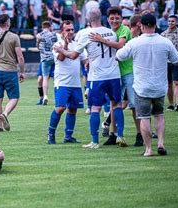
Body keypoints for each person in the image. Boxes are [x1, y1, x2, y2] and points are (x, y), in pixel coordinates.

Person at [54, 8, 126, 149]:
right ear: (102, 17)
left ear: (88, 20)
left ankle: (95, 141)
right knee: (117, 105)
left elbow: (74, 55)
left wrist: (61, 50)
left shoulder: (85, 33)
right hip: (114, 75)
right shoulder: (111, 32)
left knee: (95, 108)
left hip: (97, 77)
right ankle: (120, 136)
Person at [116, 13, 178, 157]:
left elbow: (119, 56)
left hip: (142, 87)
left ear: (141, 25)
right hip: (160, 86)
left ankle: (149, 149)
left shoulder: (135, 42)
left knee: (144, 117)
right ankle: (161, 143)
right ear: (155, 25)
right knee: (159, 115)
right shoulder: (165, 42)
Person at [90, 6, 140, 147]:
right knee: (115, 104)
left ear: (121, 18)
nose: (114, 20)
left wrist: (101, 40)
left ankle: (139, 134)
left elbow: (119, 45)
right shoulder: (108, 32)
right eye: (112, 18)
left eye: (117, 17)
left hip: (128, 71)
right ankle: (114, 135)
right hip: (115, 73)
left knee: (133, 105)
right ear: (107, 19)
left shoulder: (123, 29)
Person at [47, 20, 87, 144]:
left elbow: (85, 60)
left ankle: (68, 136)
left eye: (71, 30)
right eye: (67, 30)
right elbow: (61, 57)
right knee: (60, 108)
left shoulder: (78, 44)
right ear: (62, 32)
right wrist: (65, 43)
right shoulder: (57, 44)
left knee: (73, 109)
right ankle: (51, 134)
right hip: (62, 82)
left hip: (75, 83)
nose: (70, 32)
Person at [36, 21, 57, 105]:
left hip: (45, 58)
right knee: (56, 78)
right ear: (50, 26)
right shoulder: (54, 34)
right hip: (54, 57)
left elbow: (38, 47)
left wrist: (38, 42)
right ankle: (57, 96)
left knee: (45, 78)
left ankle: (45, 96)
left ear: (42, 27)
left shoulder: (39, 35)